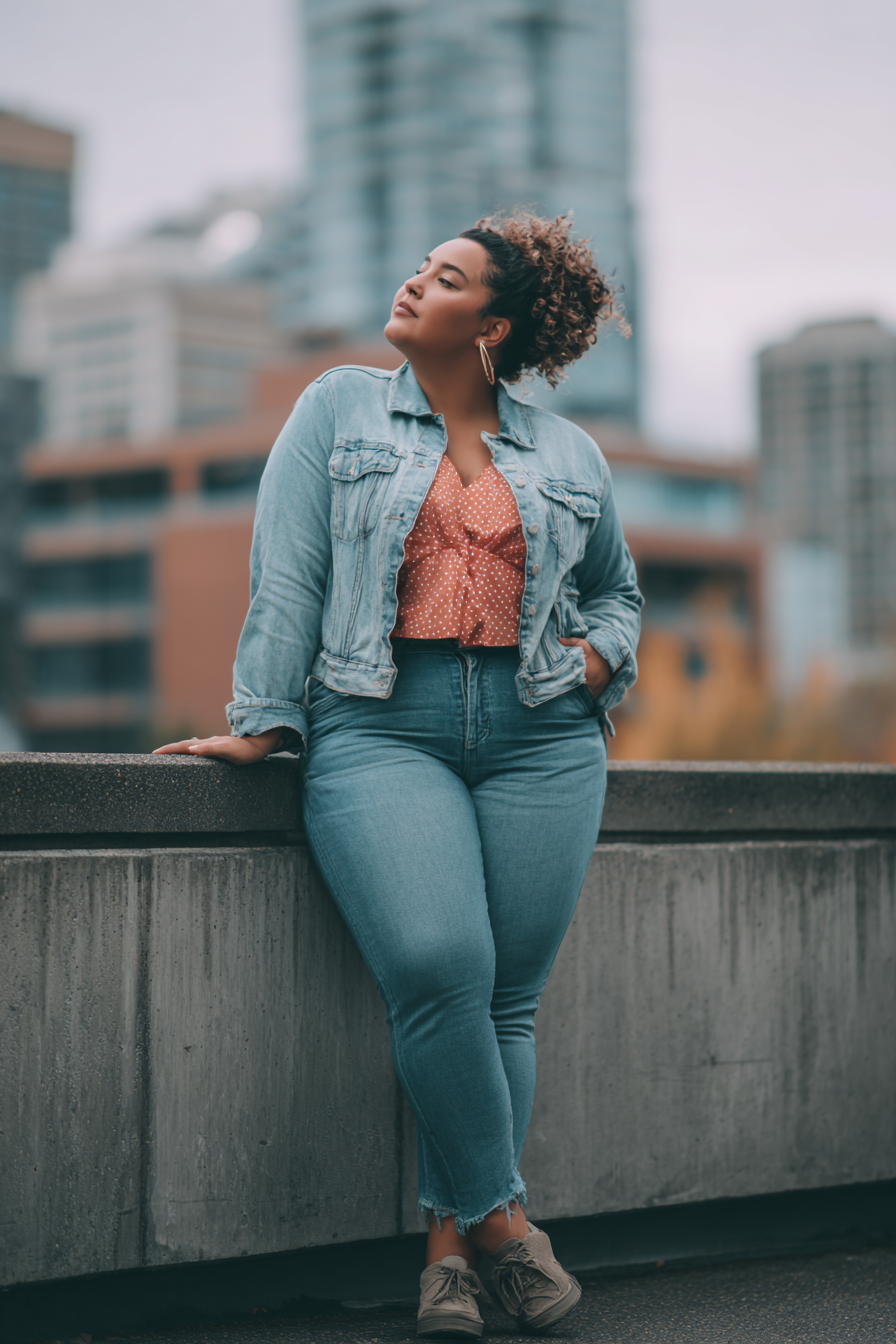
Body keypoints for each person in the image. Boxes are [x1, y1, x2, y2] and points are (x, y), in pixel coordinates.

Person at [155, 212, 642, 1338]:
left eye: (447, 278)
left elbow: (618, 592)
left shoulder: (569, 456)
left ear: (495, 325)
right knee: (437, 964)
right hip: (380, 726)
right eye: (418, 267)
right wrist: (263, 722)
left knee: (503, 1007)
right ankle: (508, 1228)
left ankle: (448, 1259)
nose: (413, 283)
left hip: (541, 738)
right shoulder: (334, 407)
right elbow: (286, 573)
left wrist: (596, 655)